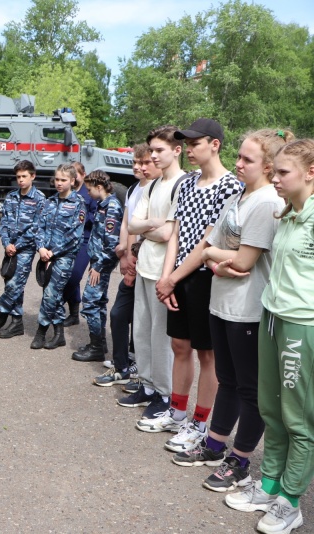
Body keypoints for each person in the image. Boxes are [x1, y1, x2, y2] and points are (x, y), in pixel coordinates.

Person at [172, 130, 291, 491]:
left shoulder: (266, 201)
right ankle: (214, 444)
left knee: (249, 389)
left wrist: (211, 256)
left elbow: (242, 259)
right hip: (222, 303)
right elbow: (223, 246)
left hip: (248, 309)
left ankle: (239, 461)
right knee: (227, 380)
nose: (238, 164)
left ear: (268, 166)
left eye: (247, 160)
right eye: (238, 157)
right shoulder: (239, 196)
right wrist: (219, 255)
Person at [224, 139, 314, 534]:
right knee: (270, 411)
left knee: (299, 420)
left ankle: (291, 503)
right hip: (272, 317)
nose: (274, 178)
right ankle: (270, 485)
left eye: (283, 172)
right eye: (273, 171)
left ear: (310, 173)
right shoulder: (287, 213)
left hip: (301, 326)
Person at [141, 119, 242, 453]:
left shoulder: (230, 186)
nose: (190, 150)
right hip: (177, 276)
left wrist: (174, 277)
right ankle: (177, 412)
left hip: (202, 276)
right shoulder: (186, 183)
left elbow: (206, 241)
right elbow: (176, 232)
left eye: (196, 144)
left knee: (206, 353)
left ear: (214, 144)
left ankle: (200, 424)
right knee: (179, 346)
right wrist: (166, 278)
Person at [118, 125, 186, 420]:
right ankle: (146, 385)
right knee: (142, 330)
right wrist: (154, 225)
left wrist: (153, 226)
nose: (154, 156)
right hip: (144, 266)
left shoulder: (182, 184)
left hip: (163, 271)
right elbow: (133, 224)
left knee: (162, 337)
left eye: (160, 150)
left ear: (177, 150)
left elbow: (172, 232)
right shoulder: (153, 185)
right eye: (152, 151)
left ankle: (164, 392)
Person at [93, 144, 156, 385]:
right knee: (120, 315)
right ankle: (122, 365)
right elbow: (126, 225)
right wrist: (123, 255)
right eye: (136, 163)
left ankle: (138, 367)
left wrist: (131, 261)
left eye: (144, 162)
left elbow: (146, 230)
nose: (139, 167)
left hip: (145, 262)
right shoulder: (133, 189)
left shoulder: (156, 189)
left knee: (139, 319)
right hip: (131, 260)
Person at [0, 160, 45, 339]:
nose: (20, 180)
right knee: (10, 281)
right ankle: (17, 321)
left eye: (24, 176)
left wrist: (16, 246)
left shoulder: (39, 199)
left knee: (14, 284)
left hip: (25, 249)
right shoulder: (11, 197)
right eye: (18, 177)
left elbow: (37, 227)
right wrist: (6, 243)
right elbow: (4, 223)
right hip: (10, 247)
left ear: (32, 176)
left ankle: (2, 316)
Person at [30, 163, 86, 350]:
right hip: (46, 255)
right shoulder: (50, 202)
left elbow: (75, 235)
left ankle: (41, 331)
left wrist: (53, 252)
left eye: (63, 180)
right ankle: (59, 334)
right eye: (57, 180)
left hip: (63, 257)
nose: (59, 183)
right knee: (51, 294)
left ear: (72, 180)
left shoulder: (78, 203)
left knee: (51, 294)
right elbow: (39, 228)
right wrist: (41, 249)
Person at [71, 170, 122, 362]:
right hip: (97, 261)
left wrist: (99, 266)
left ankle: (96, 347)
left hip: (101, 263)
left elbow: (112, 243)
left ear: (99, 187)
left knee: (91, 302)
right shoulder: (103, 204)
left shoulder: (112, 207)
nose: (88, 193)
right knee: (98, 302)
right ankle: (99, 343)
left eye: (90, 189)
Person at [60, 161, 96, 328]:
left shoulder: (89, 194)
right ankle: (73, 313)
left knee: (74, 275)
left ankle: (56, 302)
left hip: (85, 240)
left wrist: (81, 217)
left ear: (82, 175)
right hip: (67, 240)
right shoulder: (67, 192)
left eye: (77, 174)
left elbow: (96, 218)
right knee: (65, 273)